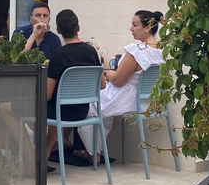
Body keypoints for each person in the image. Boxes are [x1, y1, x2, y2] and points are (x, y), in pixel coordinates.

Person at [77, 10, 164, 159]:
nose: (131, 28)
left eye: (134, 25)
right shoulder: (162, 51)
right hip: (150, 101)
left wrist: (106, 73)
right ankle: (96, 150)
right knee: (102, 108)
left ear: (147, 27)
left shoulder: (137, 51)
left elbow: (118, 80)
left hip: (128, 99)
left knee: (87, 101)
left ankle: (93, 151)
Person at [46, 9, 101, 168]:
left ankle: (41, 155)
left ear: (58, 30)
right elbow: (102, 85)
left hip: (60, 113)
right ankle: (49, 150)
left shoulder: (58, 55)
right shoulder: (91, 51)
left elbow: (48, 95)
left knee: (44, 108)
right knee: (56, 110)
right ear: (78, 28)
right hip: (82, 111)